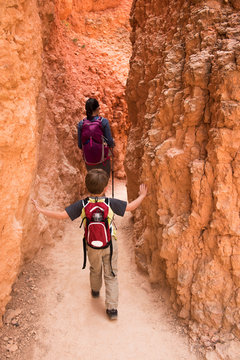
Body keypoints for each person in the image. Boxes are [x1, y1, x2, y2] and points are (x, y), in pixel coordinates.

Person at [32, 169, 147, 320]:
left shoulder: (83, 204)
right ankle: (112, 309)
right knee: (111, 274)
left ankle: (95, 290)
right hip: (110, 244)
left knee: (94, 268)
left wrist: (40, 210)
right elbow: (131, 207)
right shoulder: (110, 203)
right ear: (106, 188)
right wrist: (142, 195)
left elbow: (61, 216)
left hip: (91, 244)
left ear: (86, 187)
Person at [78, 98, 114, 177]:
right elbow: (110, 142)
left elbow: (80, 145)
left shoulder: (81, 124)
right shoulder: (103, 122)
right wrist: (112, 143)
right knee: (104, 179)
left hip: (89, 161)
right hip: (103, 161)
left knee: (93, 181)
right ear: (97, 108)